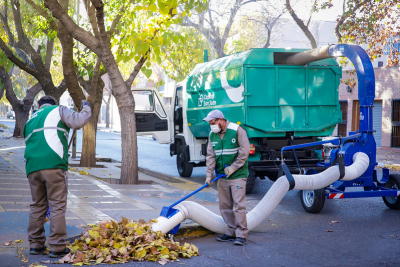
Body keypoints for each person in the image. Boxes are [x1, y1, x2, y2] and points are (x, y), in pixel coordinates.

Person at [23, 96, 91, 258]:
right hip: (53, 164)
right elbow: (79, 121)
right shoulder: (59, 110)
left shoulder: (30, 120)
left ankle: (35, 245)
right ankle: (57, 246)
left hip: (32, 167)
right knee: (57, 205)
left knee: (37, 205)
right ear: (53, 104)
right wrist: (86, 107)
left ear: (38, 105)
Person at [203, 110, 250, 246]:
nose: (211, 126)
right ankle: (230, 231)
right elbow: (210, 157)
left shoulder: (237, 130)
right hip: (222, 176)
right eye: (210, 124)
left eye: (213, 123)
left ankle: (241, 234)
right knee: (224, 206)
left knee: (238, 206)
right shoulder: (212, 135)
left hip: (238, 175)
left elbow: (244, 151)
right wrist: (209, 176)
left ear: (220, 120)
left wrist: (233, 167)